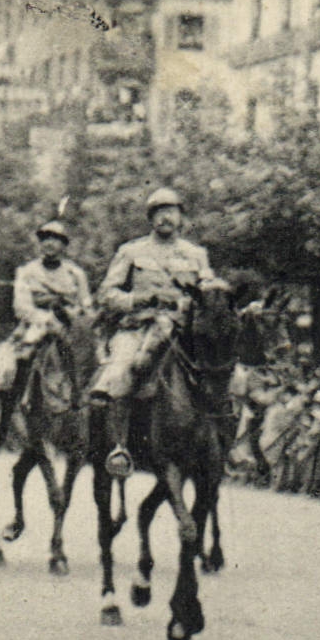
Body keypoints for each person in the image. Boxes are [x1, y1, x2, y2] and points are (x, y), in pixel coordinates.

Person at [87, 188, 222, 477]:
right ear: (151, 218)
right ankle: (120, 448)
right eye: (159, 212)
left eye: (171, 211)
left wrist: (204, 297)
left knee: (217, 369)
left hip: (181, 329)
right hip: (138, 326)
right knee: (123, 369)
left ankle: (221, 442)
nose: (165, 217)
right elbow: (106, 293)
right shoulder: (131, 251)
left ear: (181, 217)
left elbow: (210, 291)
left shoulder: (196, 254)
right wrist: (136, 300)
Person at [0, 221, 92, 454]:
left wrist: (74, 314)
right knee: (4, 369)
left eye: (56, 239)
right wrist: (46, 320)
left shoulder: (76, 274)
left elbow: (86, 304)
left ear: (64, 245)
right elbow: (21, 306)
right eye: (45, 238)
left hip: (69, 327)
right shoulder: (27, 272)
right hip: (34, 328)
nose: (50, 244)